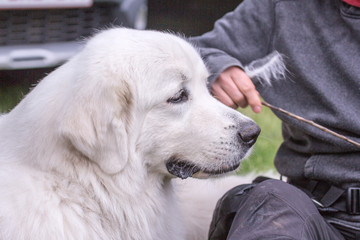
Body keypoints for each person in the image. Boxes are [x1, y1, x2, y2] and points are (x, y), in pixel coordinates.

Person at [190, 0, 360, 239]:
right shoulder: (284, 7)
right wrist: (218, 68)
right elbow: (190, 52)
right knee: (271, 204)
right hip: (316, 213)